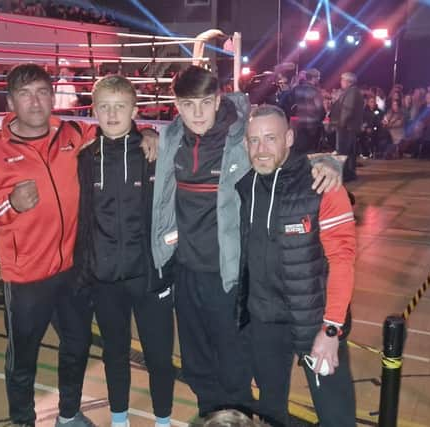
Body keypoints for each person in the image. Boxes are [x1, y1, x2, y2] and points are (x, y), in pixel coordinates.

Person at [0, 63, 156, 427]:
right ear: (11, 100)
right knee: (23, 359)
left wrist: (148, 131)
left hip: (73, 271)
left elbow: (116, 125)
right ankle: (23, 420)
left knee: (77, 348)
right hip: (26, 276)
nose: (34, 102)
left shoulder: (74, 132)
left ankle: (67, 414)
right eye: (24, 93)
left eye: (42, 92)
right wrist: (9, 206)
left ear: (53, 97)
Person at [151, 66, 342, 419]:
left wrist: (330, 163)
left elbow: (279, 153)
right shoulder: (170, 138)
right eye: (187, 104)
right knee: (196, 364)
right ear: (175, 104)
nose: (196, 113)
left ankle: (237, 420)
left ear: (218, 99)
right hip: (185, 271)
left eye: (204, 103)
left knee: (234, 367)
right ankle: (212, 419)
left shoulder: (239, 137)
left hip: (229, 276)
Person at [236, 105, 356, 427]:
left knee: (336, 417)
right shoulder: (245, 186)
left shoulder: (322, 184)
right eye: (254, 140)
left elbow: (343, 259)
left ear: (288, 138)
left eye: (270, 138)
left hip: (314, 324)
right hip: (264, 321)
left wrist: (331, 329)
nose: (261, 149)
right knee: (271, 413)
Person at [73, 75, 176, 427]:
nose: (112, 114)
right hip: (105, 280)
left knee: (160, 358)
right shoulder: (84, 157)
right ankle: (119, 421)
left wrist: (151, 134)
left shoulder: (155, 152)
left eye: (120, 106)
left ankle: (163, 421)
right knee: (114, 355)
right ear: (94, 109)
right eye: (104, 106)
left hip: (150, 278)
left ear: (135, 109)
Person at [280, 68, 325, 154]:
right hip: (312, 124)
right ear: (313, 78)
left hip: (299, 122)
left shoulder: (296, 89)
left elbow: (287, 104)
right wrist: (321, 118)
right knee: (311, 150)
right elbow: (320, 108)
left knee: (299, 148)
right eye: (318, 78)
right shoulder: (315, 91)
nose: (318, 79)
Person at [330, 72, 363, 182]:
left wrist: (341, 124)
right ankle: (350, 173)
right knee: (349, 151)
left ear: (349, 82)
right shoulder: (352, 92)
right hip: (349, 127)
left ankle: (346, 173)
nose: (341, 82)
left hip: (346, 127)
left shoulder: (352, 92)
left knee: (343, 151)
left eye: (342, 80)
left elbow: (347, 110)